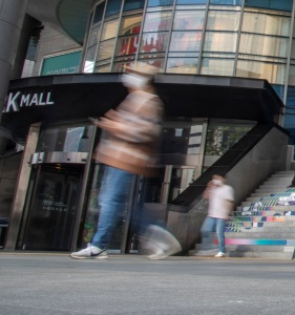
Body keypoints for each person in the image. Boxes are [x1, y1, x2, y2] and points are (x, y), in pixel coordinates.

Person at [71, 64, 181, 260]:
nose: (128, 77)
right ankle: (159, 238)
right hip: (117, 158)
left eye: (133, 74)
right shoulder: (135, 98)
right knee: (116, 203)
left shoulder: (149, 101)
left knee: (112, 201)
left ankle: (99, 245)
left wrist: (116, 126)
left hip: (126, 159)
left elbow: (146, 132)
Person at [200, 174, 234, 258]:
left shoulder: (227, 189)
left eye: (217, 178)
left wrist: (228, 213)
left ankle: (221, 250)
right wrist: (209, 187)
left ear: (223, 179)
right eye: (214, 178)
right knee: (205, 230)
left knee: (219, 233)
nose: (215, 180)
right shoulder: (213, 189)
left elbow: (230, 201)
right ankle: (210, 248)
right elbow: (205, 197)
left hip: (221, 215)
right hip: (211, 214)